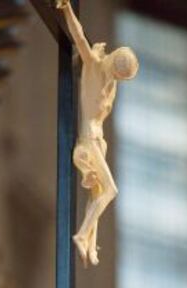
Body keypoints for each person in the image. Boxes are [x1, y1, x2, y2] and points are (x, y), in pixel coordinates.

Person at [56, 0, 139, 266]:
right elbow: (78, 36)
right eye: (118, 69)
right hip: (88, 139)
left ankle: (91, 244)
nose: (117, 76)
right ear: (114, 60)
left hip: (99, 141)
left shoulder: (109, 82)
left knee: (98, 193)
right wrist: (67, 8)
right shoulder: (92, 65)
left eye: (120, 75)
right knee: (111, 190)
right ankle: (81, 235)